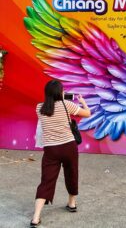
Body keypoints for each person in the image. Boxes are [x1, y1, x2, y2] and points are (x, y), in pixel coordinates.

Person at [30, 80, 90, 228]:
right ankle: (71, 203)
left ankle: (36, 217)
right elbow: (87, 114)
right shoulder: (67, 105)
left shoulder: (39, 108)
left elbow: (49, 114)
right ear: (60, 92)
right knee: (72, 173)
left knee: (46, 180)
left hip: (51, 150)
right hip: (69, 147)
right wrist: (82, 102)